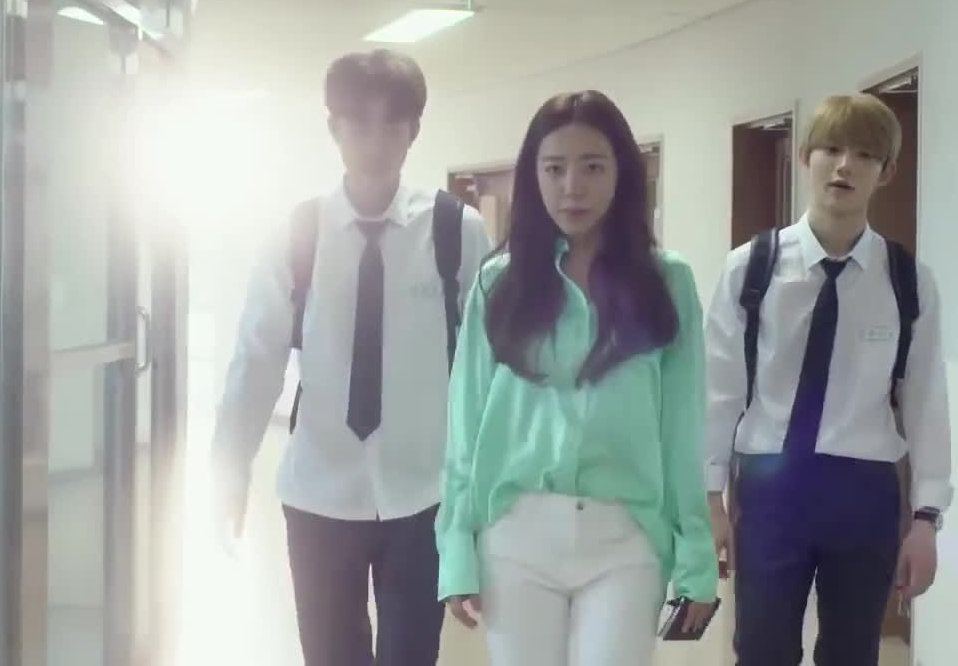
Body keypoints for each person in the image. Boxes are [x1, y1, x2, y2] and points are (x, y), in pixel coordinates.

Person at [210, 48, 493, 666]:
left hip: (426, 495)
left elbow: (489, 368)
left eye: (392, 123)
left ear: (414, 130)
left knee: (411, 656)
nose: (375, 140)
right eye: (358, 122)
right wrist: (228, 471)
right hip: (319, 492)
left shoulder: (455, 231)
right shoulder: (297, 234)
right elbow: (256, 360)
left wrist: (487, 494)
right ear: (333, 127)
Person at [436, 90, 719, 666]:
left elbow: (683, 427)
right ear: (533, 177)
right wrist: (456, 547)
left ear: (622, 174)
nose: (573, 187)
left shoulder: (667, 283)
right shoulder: (498, 284)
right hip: (516, 536)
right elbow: (465, 428)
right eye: (554, 168)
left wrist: (695, 551)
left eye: (592, 167)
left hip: (627, 538)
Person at [704, 93, 953, 666]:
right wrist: (709, 500)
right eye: (832, 149)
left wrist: (926, 520)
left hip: (863, 493)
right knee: (762, 651)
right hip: (770, 491)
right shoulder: (752, 268)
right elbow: (719, 391)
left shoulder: (907, 280)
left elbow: (926, 402)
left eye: (865, 155)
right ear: (804, 157)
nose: (844, 166)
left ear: (886, 172)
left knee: (852, 653)